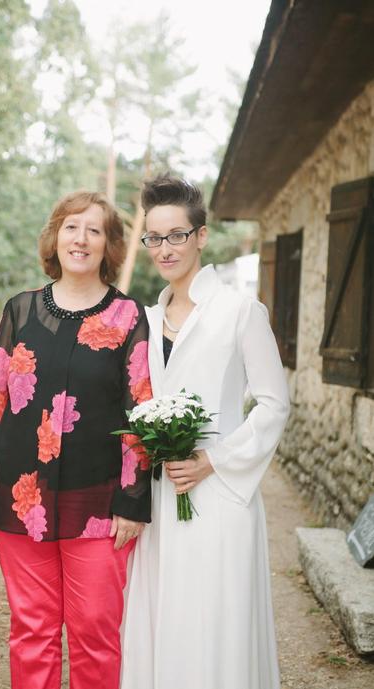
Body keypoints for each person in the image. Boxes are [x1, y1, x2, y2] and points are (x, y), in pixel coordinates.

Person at [0, 190, 153, 689]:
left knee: (95, 633)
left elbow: (140, 407)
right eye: (71, 226)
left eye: (94, 229)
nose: (80, 238)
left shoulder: (129, 317)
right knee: (32, 630)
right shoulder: (19, 311)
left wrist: (133, 498)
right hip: (22, 498)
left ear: (109, 245)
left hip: (99, 504)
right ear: (55, 236)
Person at [120, 175, 290, 689]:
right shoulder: (145, 321)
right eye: (154, 237)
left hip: (219, 494)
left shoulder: (240, 311)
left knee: (216, 622)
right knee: (164, 616)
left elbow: (274, 404)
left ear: (201, 236)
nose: (164, 248)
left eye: (176, 235)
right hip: (162, 497)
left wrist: (213, 460)